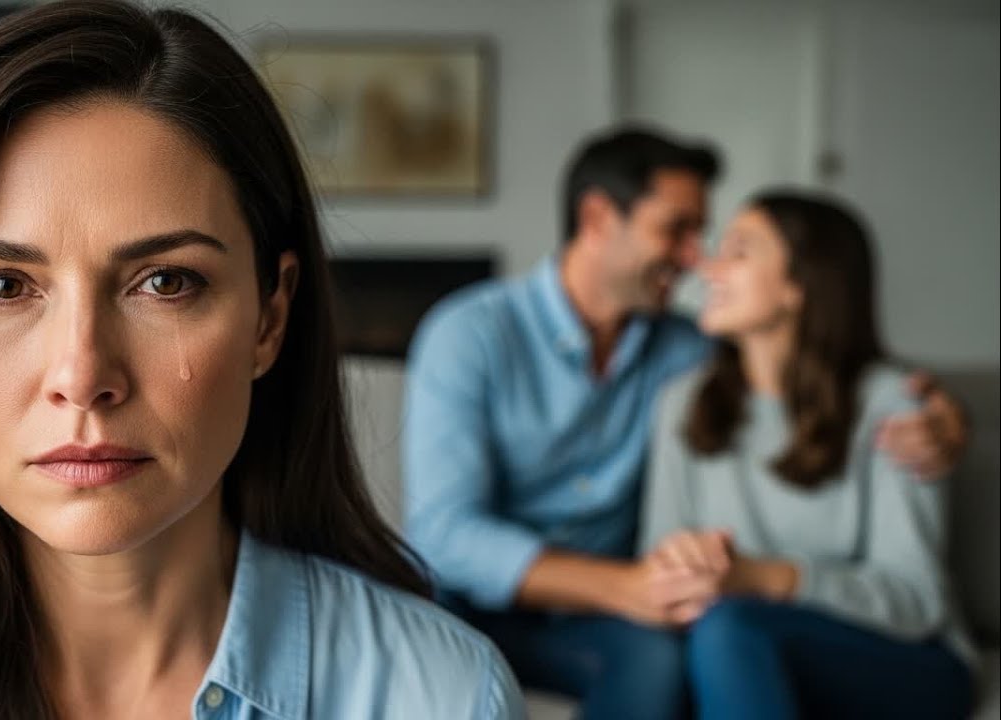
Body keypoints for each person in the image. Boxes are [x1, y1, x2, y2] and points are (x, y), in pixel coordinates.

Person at [0, 3, 524, 718]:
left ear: (269, 318)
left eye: (164, 282)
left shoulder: (444, 695)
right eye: (3, 285)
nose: (81, 375)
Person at [402, 128, 969, 719]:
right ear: (597, 218)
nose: (700, 259)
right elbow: (444, 533)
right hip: (489, 603)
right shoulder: (472, 336)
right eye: (678, 229)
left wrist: (950, 420)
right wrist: (632, 586)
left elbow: (820, 369)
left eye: (718, 242)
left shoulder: (686, 353)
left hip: (640, 619)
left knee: (674, 653)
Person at [640, 191, 976, 718]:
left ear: (800, 284)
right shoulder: (680, 403)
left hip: (909, 661)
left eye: (740, 250)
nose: (707, 265)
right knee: (698, 646)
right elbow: (658, 556)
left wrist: (764, 578)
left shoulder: (895, 407)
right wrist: (684, 570)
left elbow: (917, 602)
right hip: (749, 647)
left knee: (731, 630)